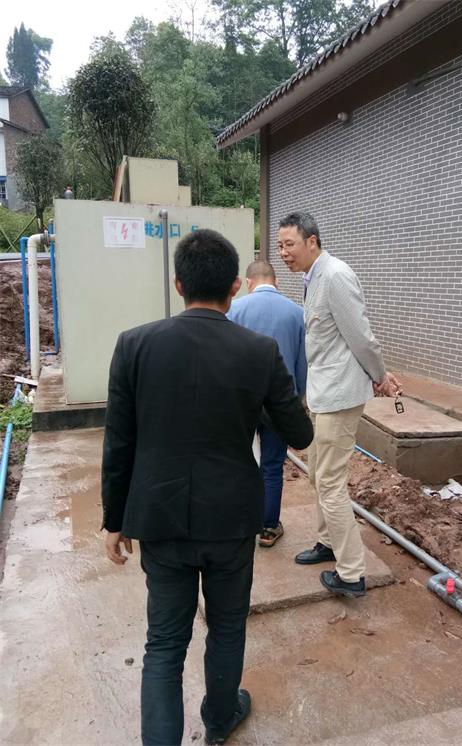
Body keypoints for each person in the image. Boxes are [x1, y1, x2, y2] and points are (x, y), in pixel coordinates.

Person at [101, 229, 313, 746]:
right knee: (227, 627)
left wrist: (114, 520)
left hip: (160, 517)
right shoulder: (258, 352)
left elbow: (119, 442)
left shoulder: (134, 345)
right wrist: (257, 401)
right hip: (231, 520)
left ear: (178, 284)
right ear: (235, 286)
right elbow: (300, 433)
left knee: (163, 645)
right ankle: (220, 718)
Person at [277, 211, 401, 599]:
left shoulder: (335, 276)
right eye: (280, 246)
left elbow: (361, 337)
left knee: (329, 483)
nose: (283, 252)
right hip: (323, 393)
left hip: (339, 397)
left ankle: (351, 573)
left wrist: (380, 376)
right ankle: (328, 542)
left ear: (312, 241)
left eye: (289, 244)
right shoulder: (313, 277)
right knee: (318, 475)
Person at [228, 260, 307, 548]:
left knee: (239, 461)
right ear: (276, 282)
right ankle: (268, 528)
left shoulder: (234, 310)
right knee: (272, 466)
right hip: (279, 403)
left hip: (242, 403)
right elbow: (302, 363)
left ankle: (240, 522)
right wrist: (297, 399)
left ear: (248, 282)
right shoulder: (297, 313)